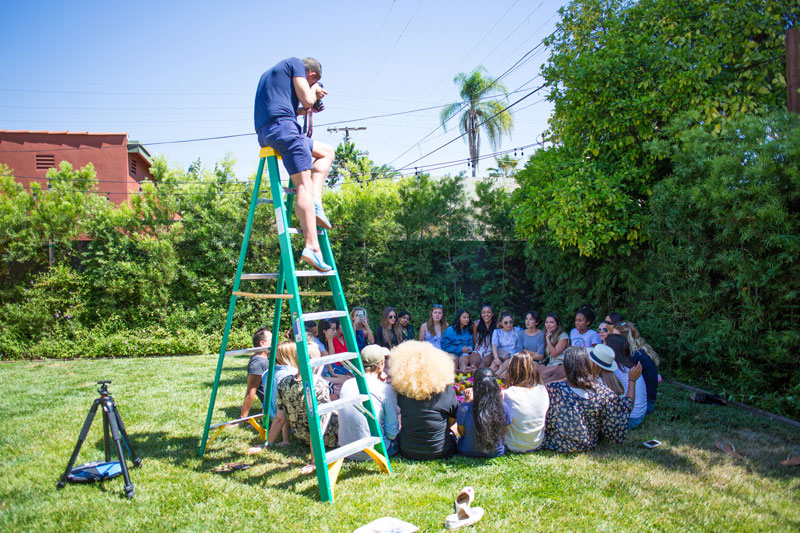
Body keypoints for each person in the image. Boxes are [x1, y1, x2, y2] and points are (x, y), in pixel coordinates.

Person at [254, 57, 335, 272]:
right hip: (285, 130)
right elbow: (307, 100)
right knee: (303, 186)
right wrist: (314, 92)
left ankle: (315, 203)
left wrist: (302, 111)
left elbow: (290, 107)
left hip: (268, 132)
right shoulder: (295, 64)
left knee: (327, 152)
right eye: (312, 82)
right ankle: (312, 247)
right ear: (312, 75)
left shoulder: (270, 75)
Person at [542, 346, 642, 453]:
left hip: (556, 443)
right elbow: (624, 408)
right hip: (588, 443)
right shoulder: (602, 391)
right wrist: (632, 380)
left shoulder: (554, 389)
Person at [272, 341, 338, 473]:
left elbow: (280, 418)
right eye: (319, 358)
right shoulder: (318, 385)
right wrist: (315, 461)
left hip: (302, 437)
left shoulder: (284, 382)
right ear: (313, 361)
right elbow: (319, 424)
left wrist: (267, 443)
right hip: (328, 438)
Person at [390, 340, 458, 460]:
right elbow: (452, 421)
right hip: (441, 450)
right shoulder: (447, 390)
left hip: (407, 450)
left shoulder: (403, 391)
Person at [337, 345, 400, 460]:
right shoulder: (384, 389)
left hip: (345, 449)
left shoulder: (347, 383)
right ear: (380, 364)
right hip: (374, 452)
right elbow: (392, 432)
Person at [456, 368, 511, 458]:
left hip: (466, 451)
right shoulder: (503, 407)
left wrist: (466, 402)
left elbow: (462, 433)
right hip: (495, 452)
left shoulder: (464, 408)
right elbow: (504, 430)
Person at [502, 352, 550, 453]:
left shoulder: (508, 394)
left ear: (511, 370)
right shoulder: (542, 390)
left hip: (512, 443)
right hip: (537, 442)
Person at [614, 322, 659, 414]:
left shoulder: (634, 357)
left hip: (644, 405)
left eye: (615, 336)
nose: (612, 339)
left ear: (625, 339)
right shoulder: (638, 351)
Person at [605, 333, 647, 428]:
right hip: (639, 415)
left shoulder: (615, 369)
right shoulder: (625, 366)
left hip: (629, 418)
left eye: (604, 344)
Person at [240, 327, 273, 420]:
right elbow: (251, 391)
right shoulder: (258, 362)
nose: (275, 342)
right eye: (272, 340)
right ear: (262, 343)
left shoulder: (266, 359)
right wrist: (242, 418)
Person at [490, 311, 521, 377]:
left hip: (513, 355)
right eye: (506, 323)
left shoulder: (517, 330)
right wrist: (496, 358)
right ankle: (484, 377)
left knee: (508, 363)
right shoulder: (497, 332)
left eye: (511, 322)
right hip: (502, 355)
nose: (509, 324)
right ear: (501, 323)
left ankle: (495, 376)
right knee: (494, 365)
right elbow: (494, 345)